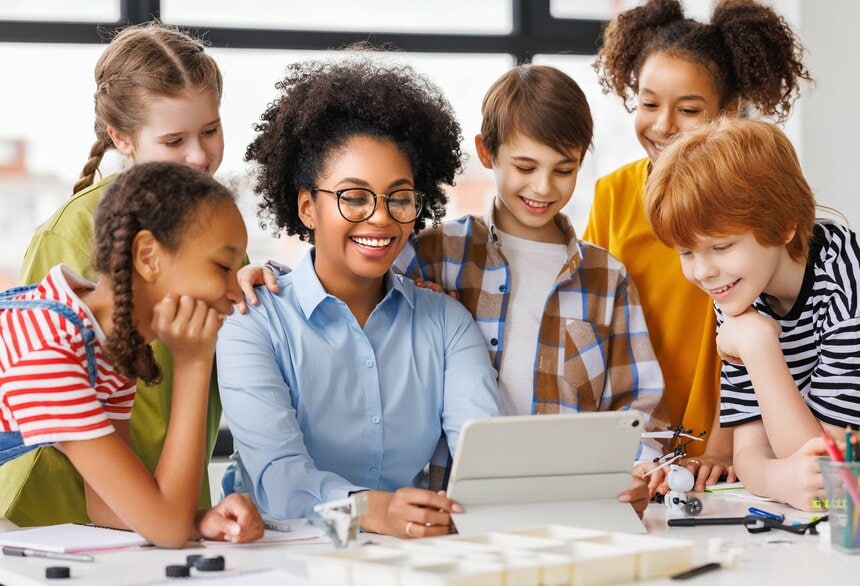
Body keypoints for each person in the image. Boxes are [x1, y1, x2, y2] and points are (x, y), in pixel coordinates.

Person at [238, 64, 654, 517]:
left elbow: (635, 406)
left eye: (398, 198)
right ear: (488, 153)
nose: (542, 186)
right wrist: (268, 275)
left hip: (511, 514)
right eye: (354, 196)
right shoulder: (433, 252)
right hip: (313, 537)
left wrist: (637, 471)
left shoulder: (453, 312)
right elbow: (337, 268)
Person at [216, 57, 504, 539]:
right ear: (308, 206)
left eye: (399, 197)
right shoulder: (254, 321)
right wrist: (374, 511)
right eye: (353, 197)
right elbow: (280, 480)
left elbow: (486, 457)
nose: (381, 218)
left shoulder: (446, 323)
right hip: (281, 561)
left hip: (409, 560)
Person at [0, 22, 226, 526]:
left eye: (210, 130)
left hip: (143, 500)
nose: (198, 155)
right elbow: (50, 388)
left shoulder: (208, 226)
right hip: (53, 507)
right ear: (120, 138)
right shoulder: (69, 245)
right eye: (174, 140)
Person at [582, 0, 812, 492]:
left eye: (688, 109)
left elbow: (761, 326)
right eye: (648, 104)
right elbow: (594, 318)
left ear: (727, 111)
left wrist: (724, 448)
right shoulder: (612, 196)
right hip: (640, 439)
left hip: (727, 442)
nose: (663, 125)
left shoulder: (751, 204)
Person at [0, 162, 262, 546]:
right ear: (148, 256)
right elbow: (166, 530)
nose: (236, 292)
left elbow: (108, 507)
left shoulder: (108, 349)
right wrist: (193, 362)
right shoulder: (51, 353)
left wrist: (198, 520)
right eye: (222, 266)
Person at [645, 117, 860, 510]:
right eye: (686, 252)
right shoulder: (742, 287)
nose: (703, 272)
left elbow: (830, 472)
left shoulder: (849, 292)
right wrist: (778, 480)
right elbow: (749, 450)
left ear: (784, 226)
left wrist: (759, 347)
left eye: (722, 246)